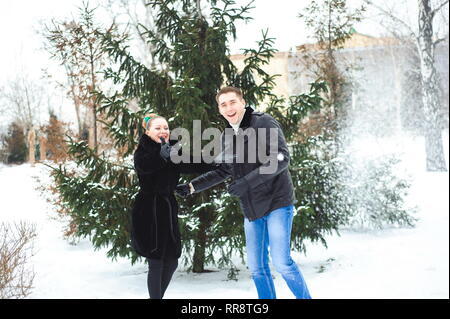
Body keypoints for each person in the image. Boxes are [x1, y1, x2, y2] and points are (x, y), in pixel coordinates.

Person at [176, 87, 311, 299]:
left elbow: (281, 158)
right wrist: (192, 186)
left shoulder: (263, 122)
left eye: (232, 102)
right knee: (257, 268)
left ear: (243, 103)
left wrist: (248, 182)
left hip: (277, 202)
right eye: (223, 104)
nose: (229, 108)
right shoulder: (227, 136)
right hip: (252, 208)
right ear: (219, 110)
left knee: (282, 262)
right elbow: (223, 170)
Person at [131, 113, 214, 299]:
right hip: (149, 210)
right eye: (158, 128)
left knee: (171, 262)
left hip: (167, 209)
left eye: (166, 128)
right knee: (156, 261)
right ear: (148, 131)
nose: (163, 131)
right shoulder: (143, 151)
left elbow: (193, 162)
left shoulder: (171, 151)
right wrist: (160, 156)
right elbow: (143, 166)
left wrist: (216, 161)